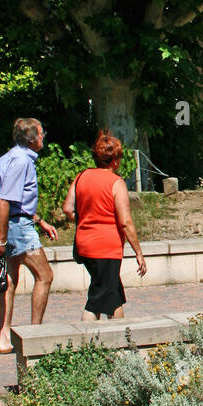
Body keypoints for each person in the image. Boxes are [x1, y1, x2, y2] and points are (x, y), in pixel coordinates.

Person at [62, 130, 146, 320]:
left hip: (84, 245)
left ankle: (120, 341)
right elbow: (125, 222)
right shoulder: (116, 183)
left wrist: (84, 220)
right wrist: (138, 253)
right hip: (106, 248)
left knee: (113, 294)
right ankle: (89, 342)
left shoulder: (81, 176)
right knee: (96, 300)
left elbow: (67, 208)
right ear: (115, 160)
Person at [0, 118, 59, 355]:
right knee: (45, 275)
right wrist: (1, 239)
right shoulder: (22, 162)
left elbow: (16, 201)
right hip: (17, 228)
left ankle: (4, 335)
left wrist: (40, 221)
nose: (44, 137)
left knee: (9, 279)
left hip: (14, 224)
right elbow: (5, 201)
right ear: (32, 139)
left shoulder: (6, 158)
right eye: (42, 134)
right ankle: (34, 334)